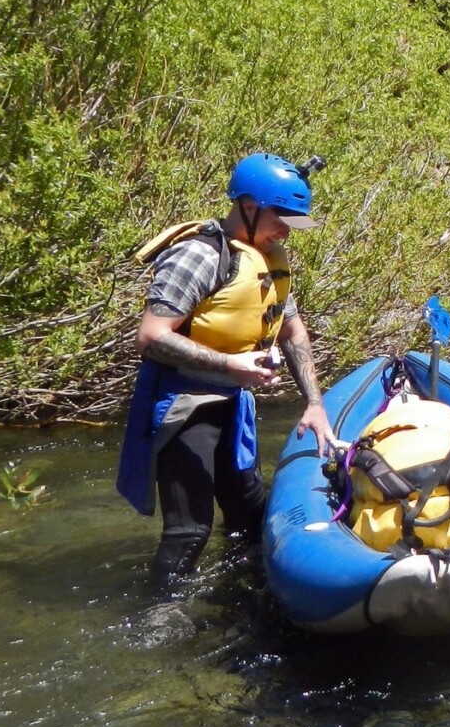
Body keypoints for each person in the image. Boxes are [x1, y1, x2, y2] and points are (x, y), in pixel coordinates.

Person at [116, 153, 337, 582]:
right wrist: (231, 364)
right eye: (282, 218)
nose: (287, 230)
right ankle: (158, 620)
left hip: (233, 403)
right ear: (249, 207)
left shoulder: (270, 260)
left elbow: (293, 333)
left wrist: (314, 403)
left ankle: (245, 592)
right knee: (188, 532)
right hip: (185, 404)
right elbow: (151, 336)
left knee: (249, 513)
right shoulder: (198, 256)